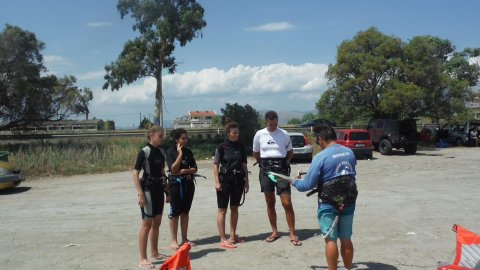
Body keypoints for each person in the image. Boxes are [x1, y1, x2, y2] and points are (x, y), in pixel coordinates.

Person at [291, 124, 358, 270]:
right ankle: (348, 268)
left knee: (330, 240)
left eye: (317, 141)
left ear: (321, 139)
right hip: (348, 202)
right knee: (346, 237)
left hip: (328, 204)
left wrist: (294, 181)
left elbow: (306, 185)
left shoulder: (320, 157)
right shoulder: (349, 152)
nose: (318, 144)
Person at [252, 110, 301, 246]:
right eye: (270, 124)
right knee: (270, 201)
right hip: (266, 170)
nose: (273, 126)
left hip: (281, 170)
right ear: (266, 122)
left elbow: (290, 152)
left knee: (286, 202)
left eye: (275, 124)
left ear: (277, 122)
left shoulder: (284, 134)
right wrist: (263, 166)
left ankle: (292, 233)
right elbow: (256, 153)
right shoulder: (259, 134)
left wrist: (285, 163)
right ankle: (274, 231)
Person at [132, 124, 170, 269]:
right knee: (146, 225)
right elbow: (135, 174)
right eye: (160, 136)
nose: (162, 138)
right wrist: (141, 194)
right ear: (151, 135)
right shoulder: (144, 152)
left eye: (163, 136)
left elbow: (162, 172)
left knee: (157, 222)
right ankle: (143, 258)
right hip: (147, 189)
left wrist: (167, 192)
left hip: (159, 190)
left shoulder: (161, 151)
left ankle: (155, 252)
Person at [213, 119, 249, 249]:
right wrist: (217, 182)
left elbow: (244, 165)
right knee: (222, 210)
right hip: (224, 180)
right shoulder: (221, 147)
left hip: (238, 180)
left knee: (235, 208)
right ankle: (223, 238)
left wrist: (247, 182)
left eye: (238, 132)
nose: (236, 135)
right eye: (234, 133)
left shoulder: (241, 147)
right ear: (228, 133)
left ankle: (233, 236)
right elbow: (216, 165)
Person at [165, 128, 198, 250]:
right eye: (183, 138)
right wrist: (179, 155)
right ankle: (174, 240)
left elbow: (195, 168)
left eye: (186, 138)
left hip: (188, 184)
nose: (185, 140)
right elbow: (173, 169)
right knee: (175, 213)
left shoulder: (188, 151)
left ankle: (184, 238)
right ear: (176, 140)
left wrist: (184, 170)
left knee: (185, 212)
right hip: (175, 185)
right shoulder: (170, 152)